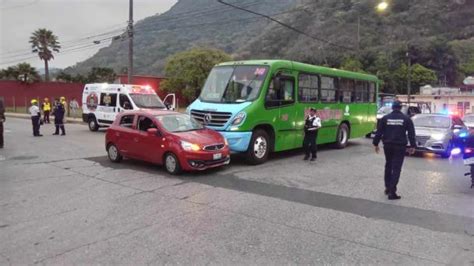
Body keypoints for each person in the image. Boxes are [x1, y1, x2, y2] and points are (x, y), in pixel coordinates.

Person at [373, 100, 416, 200]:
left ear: (392, 107)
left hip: (387, 145)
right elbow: (411, 134)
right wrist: (412, 146)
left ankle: (388, 187)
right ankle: (392, 192)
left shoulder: (385, 118)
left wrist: (375, 143)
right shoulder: (406, 119)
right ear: (400, 108)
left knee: (388, 165)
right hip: (400, 146)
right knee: (396, 168)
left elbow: (379, 132)